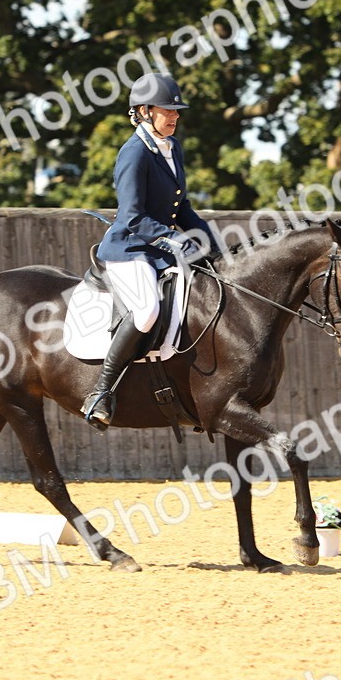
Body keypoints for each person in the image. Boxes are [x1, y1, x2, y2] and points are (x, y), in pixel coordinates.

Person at [81, 73, 221, 429]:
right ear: (144, 111)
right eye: (167, 110)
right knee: (146, 311)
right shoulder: (134, 153)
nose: (175, 116)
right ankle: (101, 392)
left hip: (158, 248)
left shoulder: (173, 148)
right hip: (129, 248)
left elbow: (182, 208)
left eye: (176, 111)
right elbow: (132, 217)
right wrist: (174, 240)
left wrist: (211, 243)